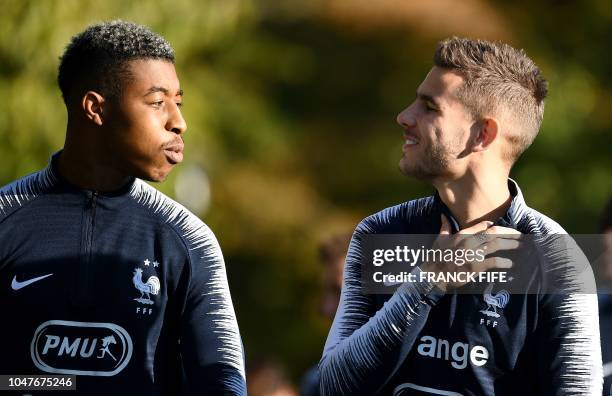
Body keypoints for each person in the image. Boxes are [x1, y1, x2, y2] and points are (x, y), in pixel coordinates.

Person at [319, 37, 602, 395]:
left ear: (483, 134)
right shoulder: (381, 231)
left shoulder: (556, 258)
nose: (404, 117)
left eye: (429, 107)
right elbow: (332, 386)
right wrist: (427, 284)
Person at [0, 21, 246, 395]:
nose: (179, 122)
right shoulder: (6, 217)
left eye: (178, 103)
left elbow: (223, 382)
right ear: (95, 108)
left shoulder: (191, 241)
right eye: (157, 102)